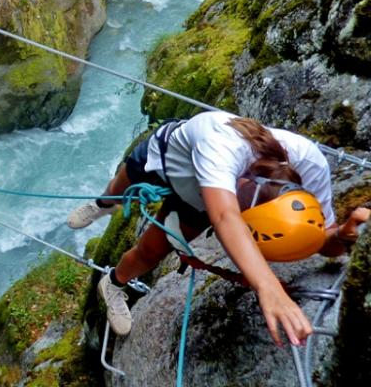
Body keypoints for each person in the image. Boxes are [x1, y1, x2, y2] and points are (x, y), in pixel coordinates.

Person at [67, 111, 369, 346]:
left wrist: (345, 235)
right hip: (165, 157)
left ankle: (113, 284)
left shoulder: (310, 169)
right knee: (118, 190)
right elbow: (225, 217)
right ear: (249, 182)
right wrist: (269, 287)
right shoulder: (222, 148)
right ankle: (102, 205)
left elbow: (319, 240)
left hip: (198, 199)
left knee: (150, 253)